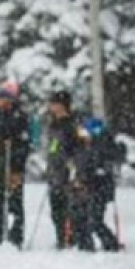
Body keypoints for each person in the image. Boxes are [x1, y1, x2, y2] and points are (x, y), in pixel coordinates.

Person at [0, 81, 30, 248]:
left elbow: (23, 145)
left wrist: (17, 170)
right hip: (0, 163)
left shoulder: (19, 117)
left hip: (13, 164)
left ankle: (16, 237)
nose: (0, 102)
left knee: (15, 202)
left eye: (4, 98)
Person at [69, 117, 123, 252]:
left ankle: (110, 243)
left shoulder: (104, 147)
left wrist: (89, 179)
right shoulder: (82, 147)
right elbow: (79, 165)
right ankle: (84, 245)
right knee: (78, 217)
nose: (84, 135)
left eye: (86, 132)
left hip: (99, 188)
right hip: (82, 187)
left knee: (94, 220)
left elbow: (103, 169)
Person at [44, 90, 82, 249]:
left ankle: (71, 238)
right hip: (55, 172)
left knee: (69, 208)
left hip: (67, 172)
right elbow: (53, 148)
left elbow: (78, 148)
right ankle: (61, 238)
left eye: (54, 104)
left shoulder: (72, 124)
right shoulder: (53, 124)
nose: (51, 107)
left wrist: (74, 165)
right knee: (55, 209)